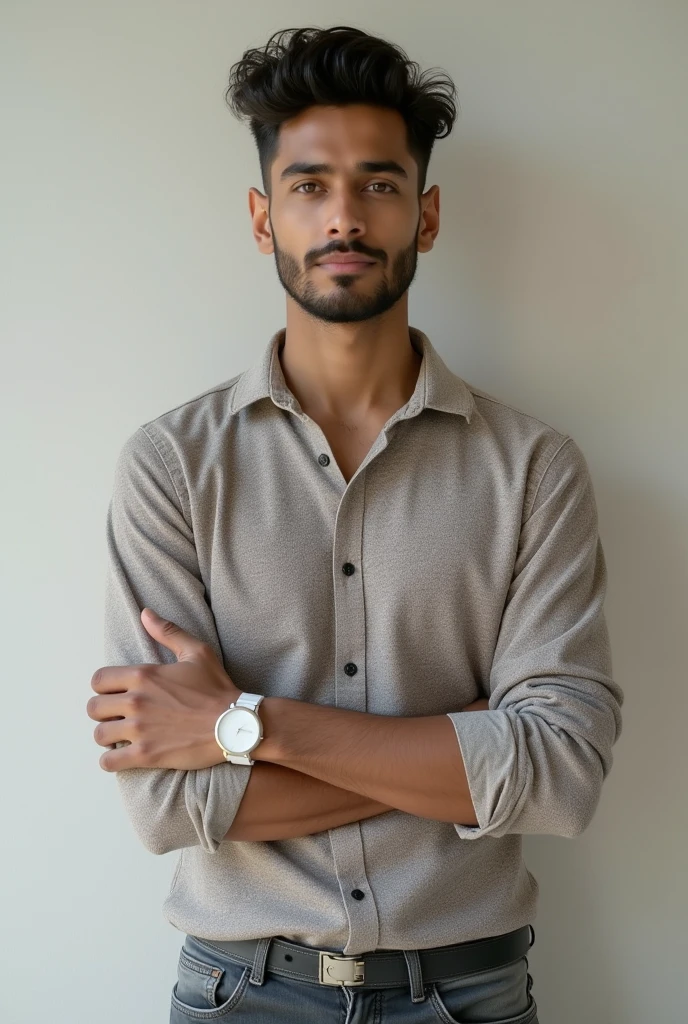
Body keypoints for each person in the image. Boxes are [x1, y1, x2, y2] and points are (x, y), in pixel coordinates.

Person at [87, 25, 624, 1024]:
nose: (343, 215)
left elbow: (558, 775)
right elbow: (167, 809)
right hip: (241, 993)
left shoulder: (533, 469)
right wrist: (459, 752)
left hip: (468, 993)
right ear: (262, 218)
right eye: (308, 186)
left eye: (378, 184)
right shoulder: (170, 466)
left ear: (425, 216)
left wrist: (236, 726)